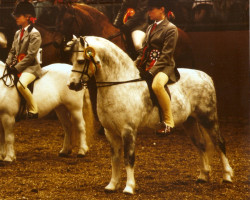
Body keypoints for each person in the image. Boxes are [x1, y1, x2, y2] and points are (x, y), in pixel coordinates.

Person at [135, 0, 180, 135]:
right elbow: (145, 50)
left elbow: (166, 55)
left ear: (162, 9)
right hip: (148, 63)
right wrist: (135, 63)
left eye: (152, 10)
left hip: (165, 67)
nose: (149, 13)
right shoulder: (150, 27)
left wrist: (152, 71)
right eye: (148, 10)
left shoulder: (171, 29)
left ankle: (168, 122)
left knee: (157, 85)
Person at [5, 0, 42, 119]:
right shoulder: (17, 33)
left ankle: (33, 109)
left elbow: (31, 56)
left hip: (31, 68)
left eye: (18, 16)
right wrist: (8, 64)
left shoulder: (35, 34)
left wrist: (16, 68)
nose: (16, 18)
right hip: (18, 66)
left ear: (27, 17)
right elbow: (12, 51)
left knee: (21, 85)